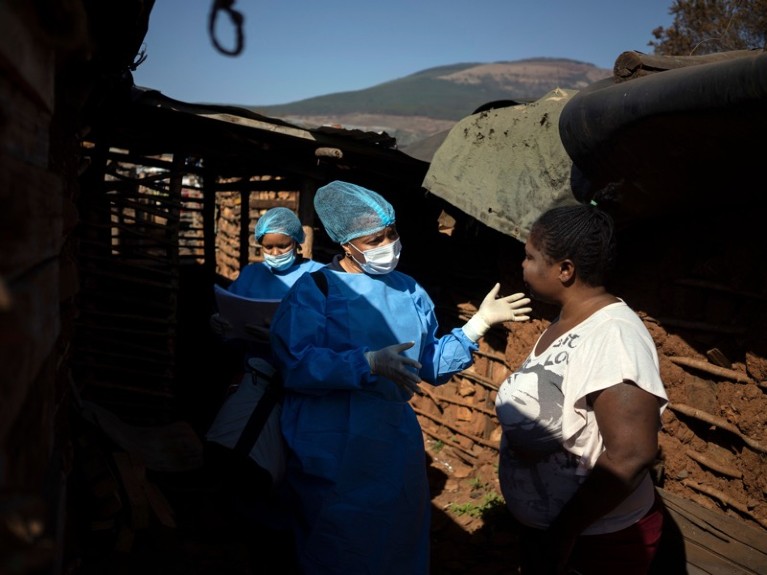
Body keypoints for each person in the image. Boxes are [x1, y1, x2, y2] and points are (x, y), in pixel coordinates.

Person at [268, 180, 532, 575]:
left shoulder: (409, 291)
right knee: (335, 541)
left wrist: (477, 325)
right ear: (347, 243)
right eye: (375, 238)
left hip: (392, 443)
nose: (387, 244)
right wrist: (366, 362)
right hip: (328, 441)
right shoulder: (315, 291)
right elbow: (295, 362)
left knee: (396, 538)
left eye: (390, 233)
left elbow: (431, 366)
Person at [494, 200, 669, 575]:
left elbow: (632, 454)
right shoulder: (569, 320)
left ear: (565, 269)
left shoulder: (615, 336)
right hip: (557, 537)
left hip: (600, 544)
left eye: (530, 257)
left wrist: (561, 535)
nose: (522, 266)